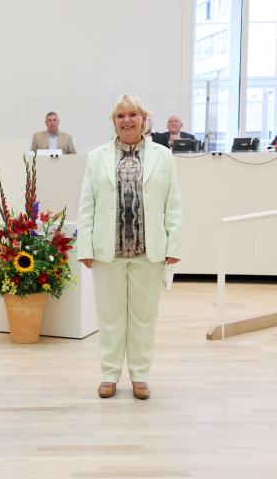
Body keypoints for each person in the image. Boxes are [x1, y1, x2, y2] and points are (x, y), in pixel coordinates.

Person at [76, 93, 182, 401]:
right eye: (120, 115)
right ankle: (109, 374)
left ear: (144, 119)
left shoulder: (163, 156)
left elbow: (173, 203)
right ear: (113, 122)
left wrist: (173, 243)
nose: (126, 120)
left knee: (144, 316)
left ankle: (140, 375)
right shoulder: (97, 157)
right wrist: (85, 246)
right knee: (109, 316)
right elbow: (87, 204)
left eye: (132, 114)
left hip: (149, 251)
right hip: (108, 250)